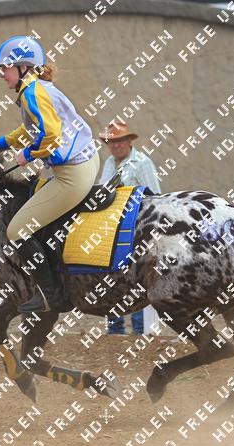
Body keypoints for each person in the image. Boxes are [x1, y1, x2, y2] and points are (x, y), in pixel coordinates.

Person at [0, 35, 99, 313]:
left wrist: (28, 154)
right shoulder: (36, 88)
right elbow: (33, 129)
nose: (1, 74)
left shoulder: (32, 92)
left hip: (72, 174)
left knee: (17, 230)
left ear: (23, 67)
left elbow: (52, 136)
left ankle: (51, 297)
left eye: (5, 68)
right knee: (32, 197)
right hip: (82, 162)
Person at [97, 119, 160, 335]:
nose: (116, 145)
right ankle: (115, 329)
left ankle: (139, 329)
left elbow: (155, 197)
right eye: (112, 141)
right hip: (112, 230)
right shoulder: (109, 163)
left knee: (136, 278)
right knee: (111, 277)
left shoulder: (142, 163)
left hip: (137, 230)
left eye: (120, 140)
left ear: (129, 141)